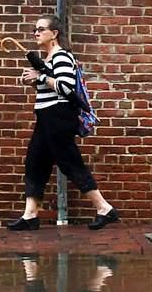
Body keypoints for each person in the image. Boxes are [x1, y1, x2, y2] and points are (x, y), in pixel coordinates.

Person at [7, 16, 120, 231]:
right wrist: (34, 82)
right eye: (35, 30)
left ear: (54, 33)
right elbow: (50, 88)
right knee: (35, 162)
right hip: (45, 117)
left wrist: (39, 77)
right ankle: (30, 215)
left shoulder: (62, 57)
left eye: (41, 29)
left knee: (70, 162)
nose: (36, 33)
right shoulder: (49, 60)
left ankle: (104, 208)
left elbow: (66, 88)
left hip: (58, 117)